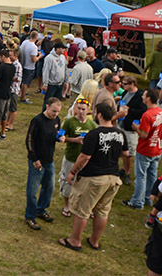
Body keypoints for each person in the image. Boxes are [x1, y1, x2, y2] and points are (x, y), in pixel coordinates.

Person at [58, 101, 129, 251]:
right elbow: (125, 154)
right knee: (102, 211)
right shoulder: (120, 133)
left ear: (100, 115)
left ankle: (75, 241)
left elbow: (84, 157)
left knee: (82, 210)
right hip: (113, 178)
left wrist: (72, 172)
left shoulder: (95, 134)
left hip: (94, 177)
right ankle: (94, 241)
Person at [24, 97, 66, 230]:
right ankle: (30, 216)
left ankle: (40, 209)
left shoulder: (56, 120)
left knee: (49, 188)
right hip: (37, 161)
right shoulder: (37, 120)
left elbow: (56, 133)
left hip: (49, 160)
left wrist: (60, 137)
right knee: (32, 191)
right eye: (53, 111)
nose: (55, 114)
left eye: (58, 111)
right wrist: (34, 159)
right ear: (47, 107)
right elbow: (29, 140)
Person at [122, 88, 162, 209]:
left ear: (149, 98)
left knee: (141, 176)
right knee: (152, 175)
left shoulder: (147, 115)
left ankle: (137, 201)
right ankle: (148, 198)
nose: (142, 97)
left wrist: (136, 127)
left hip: (146, 149)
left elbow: (144, 135)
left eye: (144, 95)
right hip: (157, 148)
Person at [59, 98, 97, 217]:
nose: (80, 112)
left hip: (86, 160)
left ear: (88, 110)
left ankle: (85, 207)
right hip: (71, 157)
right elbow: (61, 137)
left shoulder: (92, 125)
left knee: (86, 184)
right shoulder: (69, 122)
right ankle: (67, 206)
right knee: (67, 182)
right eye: (78, 109)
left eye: (83, 109)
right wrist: (74, 140)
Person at [118, 76, 148, 185]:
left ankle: (127, 172)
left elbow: (143, 111)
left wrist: (129, 110)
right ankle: (123, 169)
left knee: (129, 152)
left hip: (130, 127)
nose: (123, 86)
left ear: (132, 84)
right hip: (121, 123)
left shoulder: (139, 96)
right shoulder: (124, 93)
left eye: (125, 84)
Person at [41, 41, 68, 111]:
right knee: (48, 101)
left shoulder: (63, 57)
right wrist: (45, 84)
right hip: (51, 84)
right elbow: (46, 71)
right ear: (58, 48)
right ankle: (45, 114)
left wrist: (65, 81)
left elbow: (65, 69)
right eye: (63, 48)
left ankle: (54, 114)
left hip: (60, 84)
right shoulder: (49, 58)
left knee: (57, 102)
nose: (64, 50)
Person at [19, 30, 43, 104]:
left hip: (23, 64)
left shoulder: (25, 42)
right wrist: (40, 56)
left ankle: (21, 94)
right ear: (36, 37)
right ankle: (23, 98)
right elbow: (34, 59)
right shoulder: (33, 47)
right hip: (29, 66)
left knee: (22, 81)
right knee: (26, 83)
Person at [6, 48, 23, 132]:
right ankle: (7, 122)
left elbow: (18, 78)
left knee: (13, 108)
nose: (9, 57)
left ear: (16, 56)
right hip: (9, 88)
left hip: (14, 89)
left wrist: (8, 76)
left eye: (11, 55)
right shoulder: (11, 64)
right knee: (9, 107)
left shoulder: (17, 65)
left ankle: (10, 125)